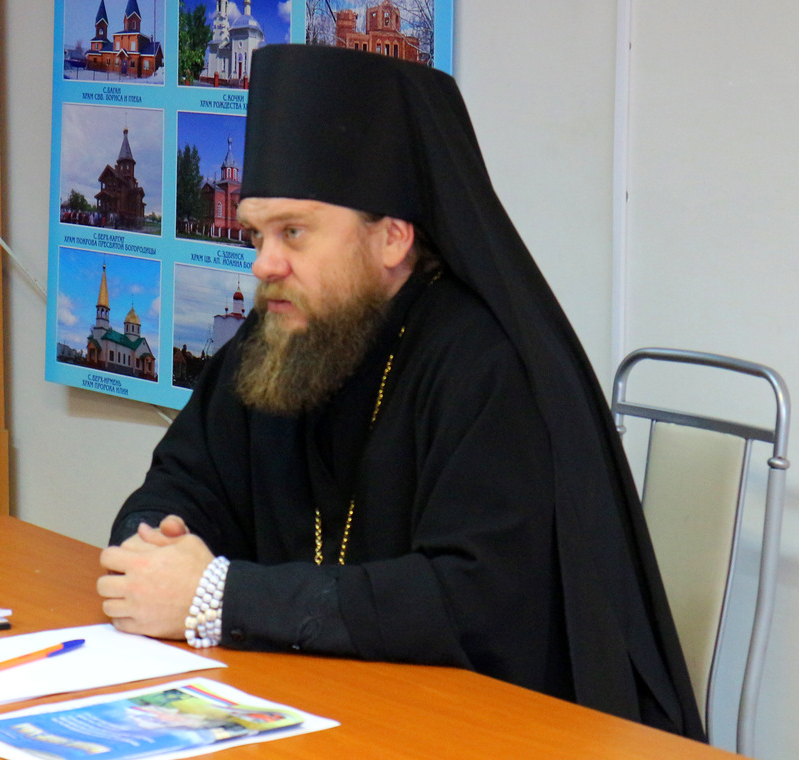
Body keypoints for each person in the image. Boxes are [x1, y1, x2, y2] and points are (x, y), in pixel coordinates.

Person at [98, 44, 704, 740]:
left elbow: (469, 602)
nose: (264, 264)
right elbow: (178, 484)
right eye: (257, 234)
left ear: (391, 238)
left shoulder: (485, 365)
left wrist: (222, 597)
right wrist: (153, 549)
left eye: (293, 232)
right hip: (315, 710)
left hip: (479, 731)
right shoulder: (277, 340)